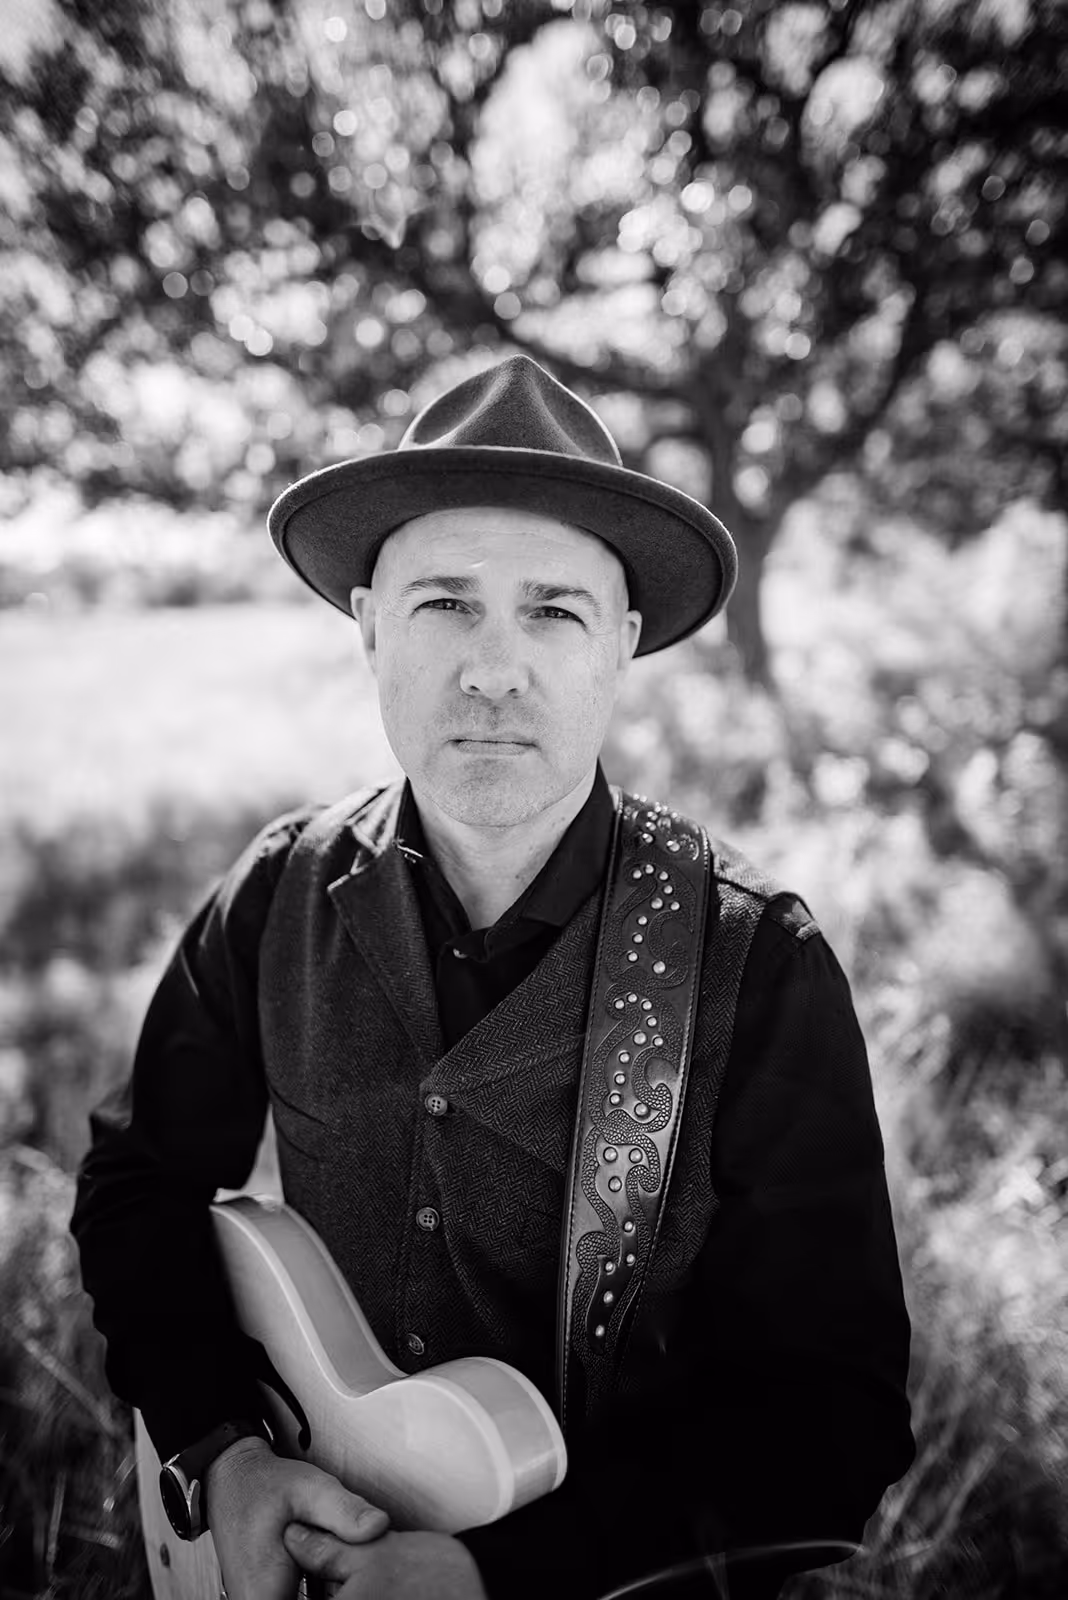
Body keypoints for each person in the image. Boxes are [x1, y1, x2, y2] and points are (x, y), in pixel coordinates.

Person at [71, 354, 915, 1600]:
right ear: (368, 625)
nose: (493, 669)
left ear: (622, 644)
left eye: (555, 612)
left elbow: (832, 1420)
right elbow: (136, 1183)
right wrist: (219, 1452)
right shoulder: (276, 894)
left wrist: (492, 1577)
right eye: (445, 603)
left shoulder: (759, 963)